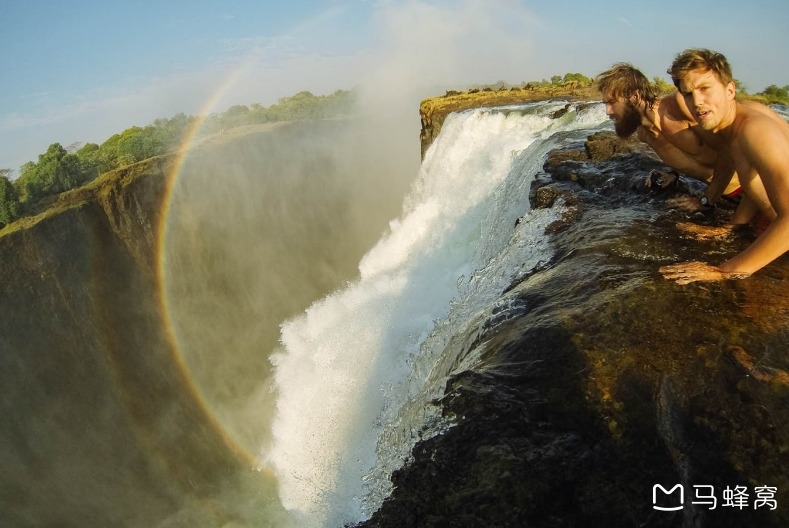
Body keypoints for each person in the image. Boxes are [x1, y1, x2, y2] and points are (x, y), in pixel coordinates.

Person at [659, 48, 789, 284]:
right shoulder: (734, 125)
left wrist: (724, 271)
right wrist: (732, 227)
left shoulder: (755, 131)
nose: (697, 102)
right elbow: (758, 181)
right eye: (688, 94)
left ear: (730, 90)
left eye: (704, 89)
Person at [595, 63, 742, 204]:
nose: (608, 111)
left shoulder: (678, 106)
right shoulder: (644, 135)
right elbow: (687, 154)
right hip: (724, 198)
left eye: (612, 102)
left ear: (635, 96)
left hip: (749, 190)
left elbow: (728, 152)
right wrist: (673, 173)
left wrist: (706, 201)